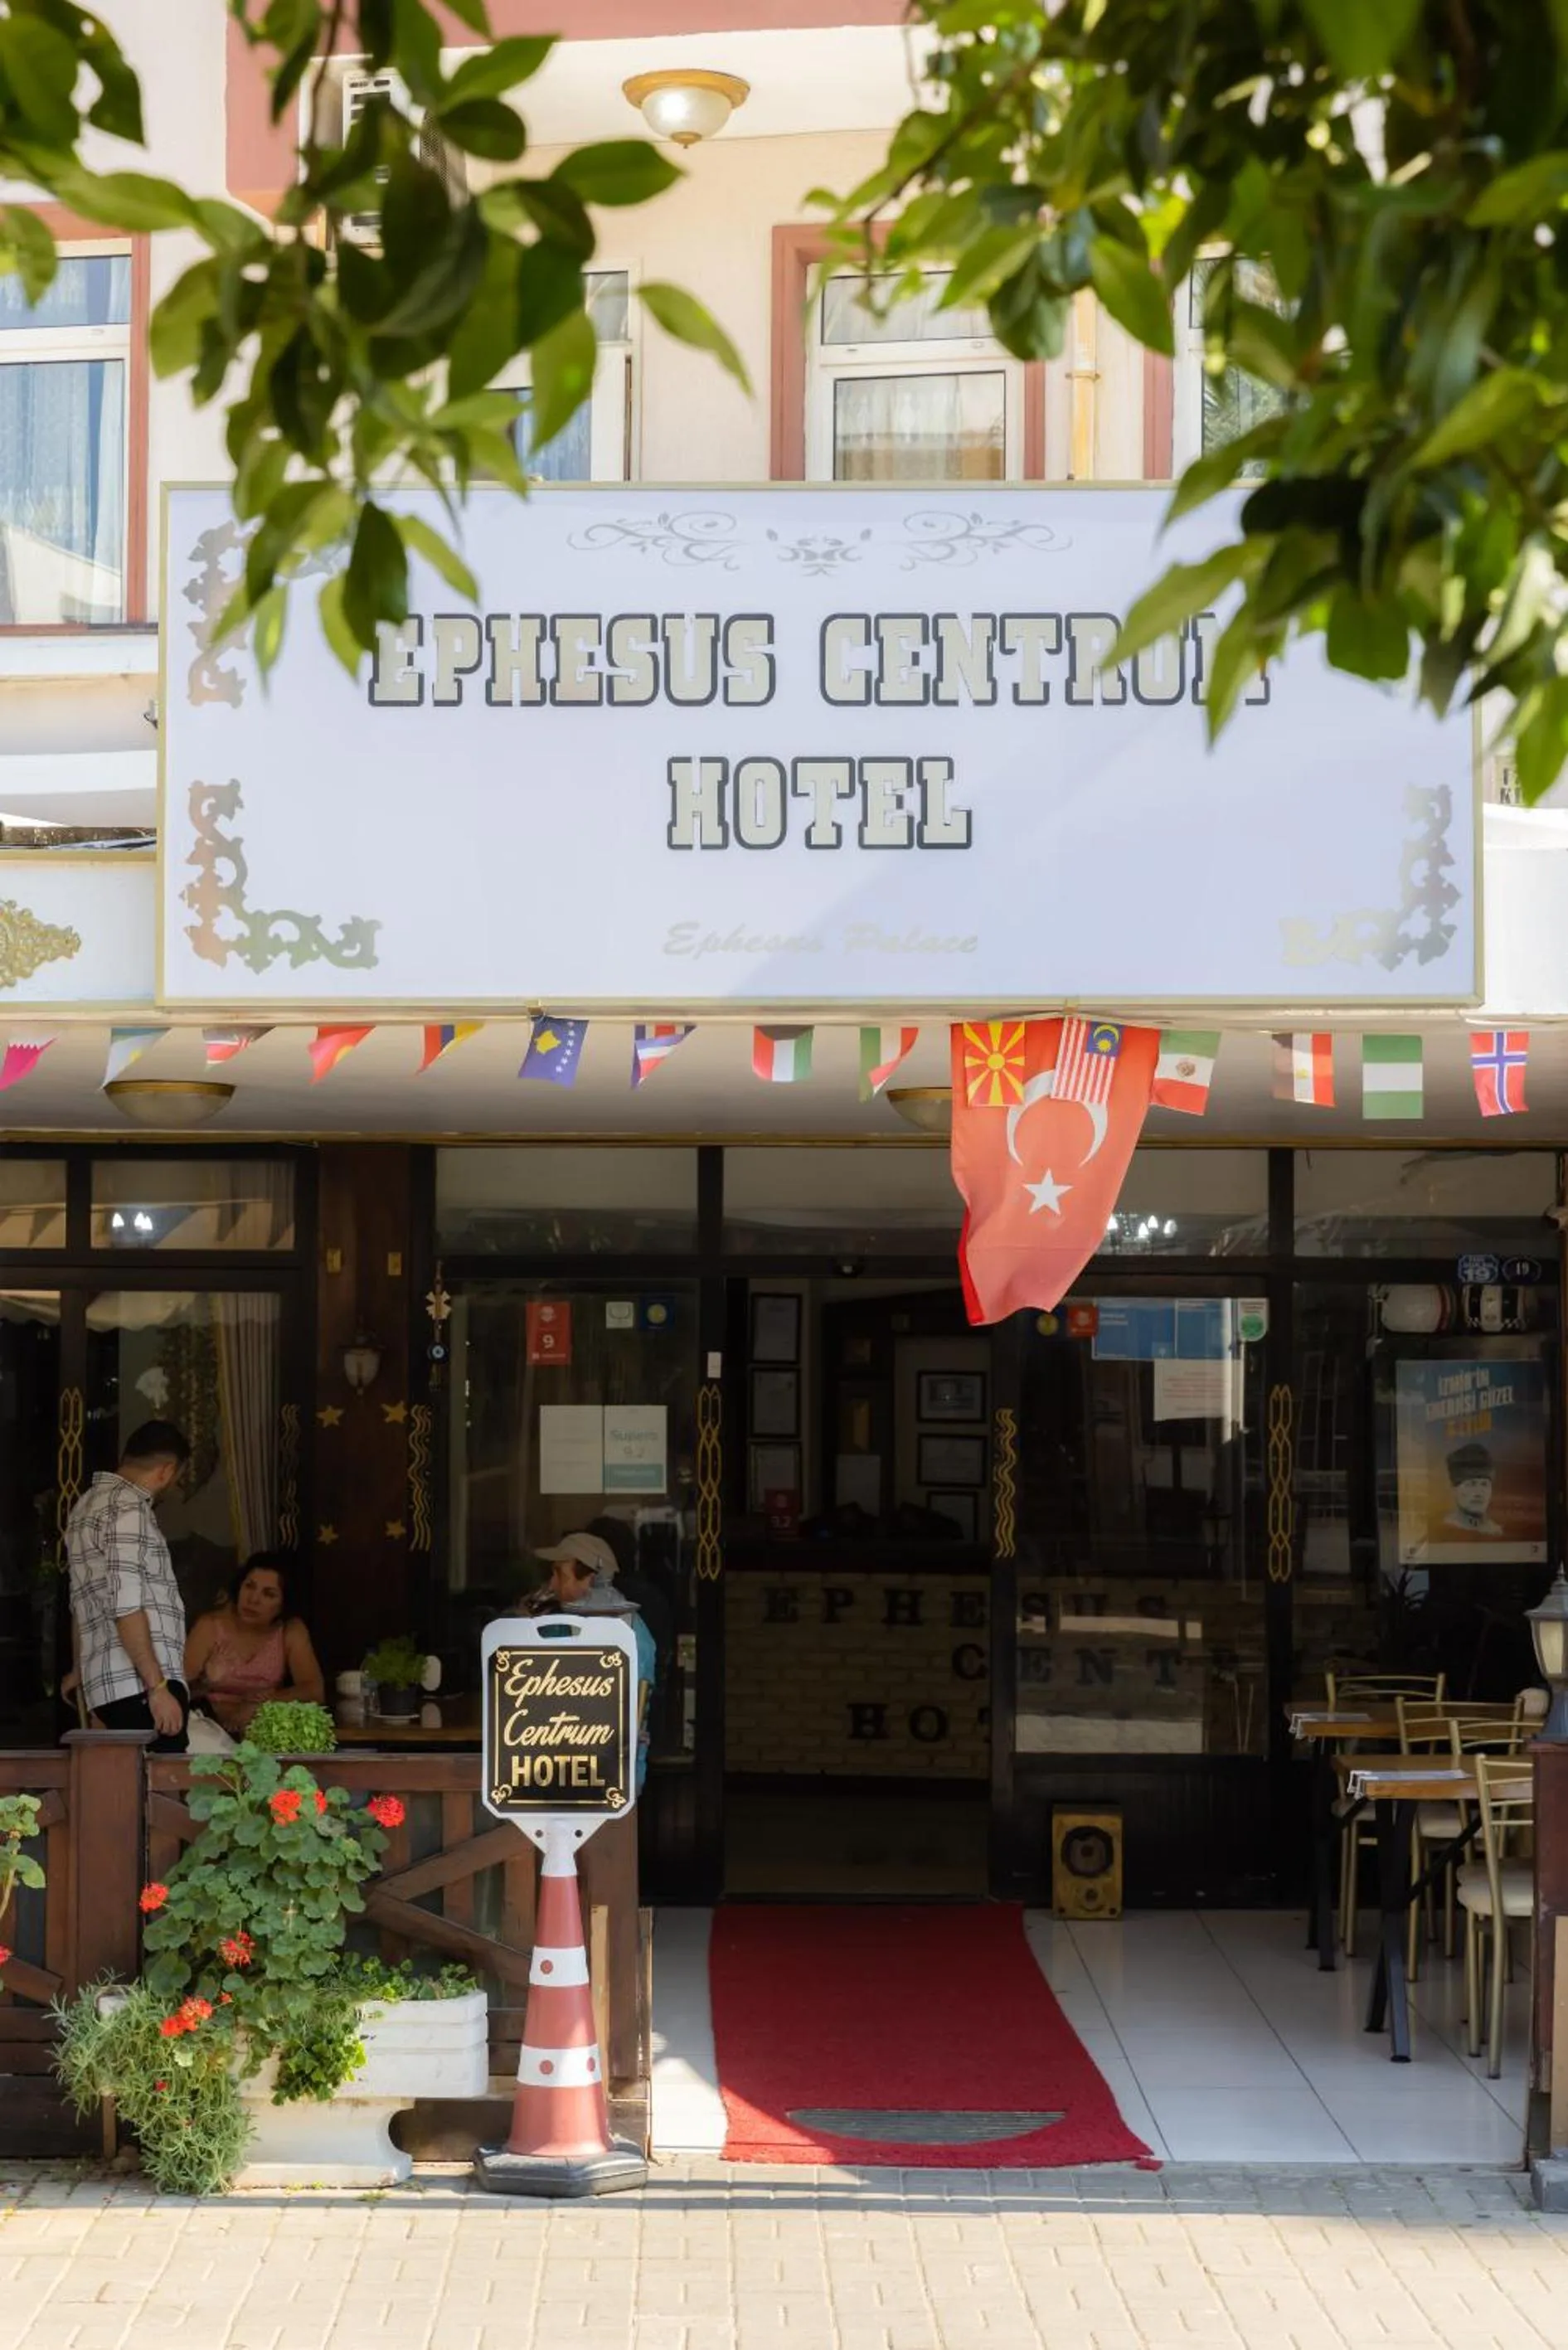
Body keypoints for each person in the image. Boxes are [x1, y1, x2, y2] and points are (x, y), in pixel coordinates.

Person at [65, 1420, 192, 1753]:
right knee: (160, 1794)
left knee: (123, 1794)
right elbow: (126, 1604)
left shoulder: (84, 1506)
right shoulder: (129, 1509)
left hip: (109, 1686)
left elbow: (82, 1600)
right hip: (139, 1686)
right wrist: (158, 1688)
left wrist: (81, 1667)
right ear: (167, 1470)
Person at [529, 1531, 658, 1789]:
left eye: (560, 1575)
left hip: (608, 1784)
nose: (553, 1584)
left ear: (591, 1579)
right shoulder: (567, 1624)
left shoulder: (628, 1637)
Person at [184, 1553, 325, 1736]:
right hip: (207, 1728)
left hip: (264, 1731)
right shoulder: (210, 1626)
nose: (253, 1600)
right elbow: (174, 1693)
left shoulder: (290, 1630)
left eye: (269, 1594)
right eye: (249, 1586)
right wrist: (206, 1682)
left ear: (284, 1603)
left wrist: (265, 1703)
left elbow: (314, 1691)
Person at [1443, 1441, 1504, 1537]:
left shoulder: (1496, 1531)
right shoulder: (1445, 1529)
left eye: (1484, 1484)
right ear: (1454, 1489)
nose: (1479, 1493)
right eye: (1471, 1484)